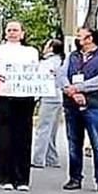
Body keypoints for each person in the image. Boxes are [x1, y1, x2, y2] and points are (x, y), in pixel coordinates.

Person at [59, 27, 98, 194]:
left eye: (81, 36)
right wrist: (70, 90)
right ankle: (75, 177)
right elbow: (62, 75)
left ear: (90, 38)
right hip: (72, 105)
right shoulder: (73, 56)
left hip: (96, 104)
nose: (78, 38)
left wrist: (79, 88)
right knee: (73, 143)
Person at [0, 21, 40, 192]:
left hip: (25, 98)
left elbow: (36, 72)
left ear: (22, 33)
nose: (12, 33)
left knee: (23, 138)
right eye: (9, 30)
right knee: (2, 138)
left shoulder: (31, 52)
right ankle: (4, 177)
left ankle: (22, 178)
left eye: (16, 30)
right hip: (3, 96)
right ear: (5, 32)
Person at [31, 39, 65, 169]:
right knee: (52, 129)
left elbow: (40, 79)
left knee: (43, 128)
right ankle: (52, 158)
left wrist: (35, 97)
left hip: (48, 96)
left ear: (51, 48)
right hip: (58, 97)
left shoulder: (47, 63)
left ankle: (38, 159)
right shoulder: (61, 61)